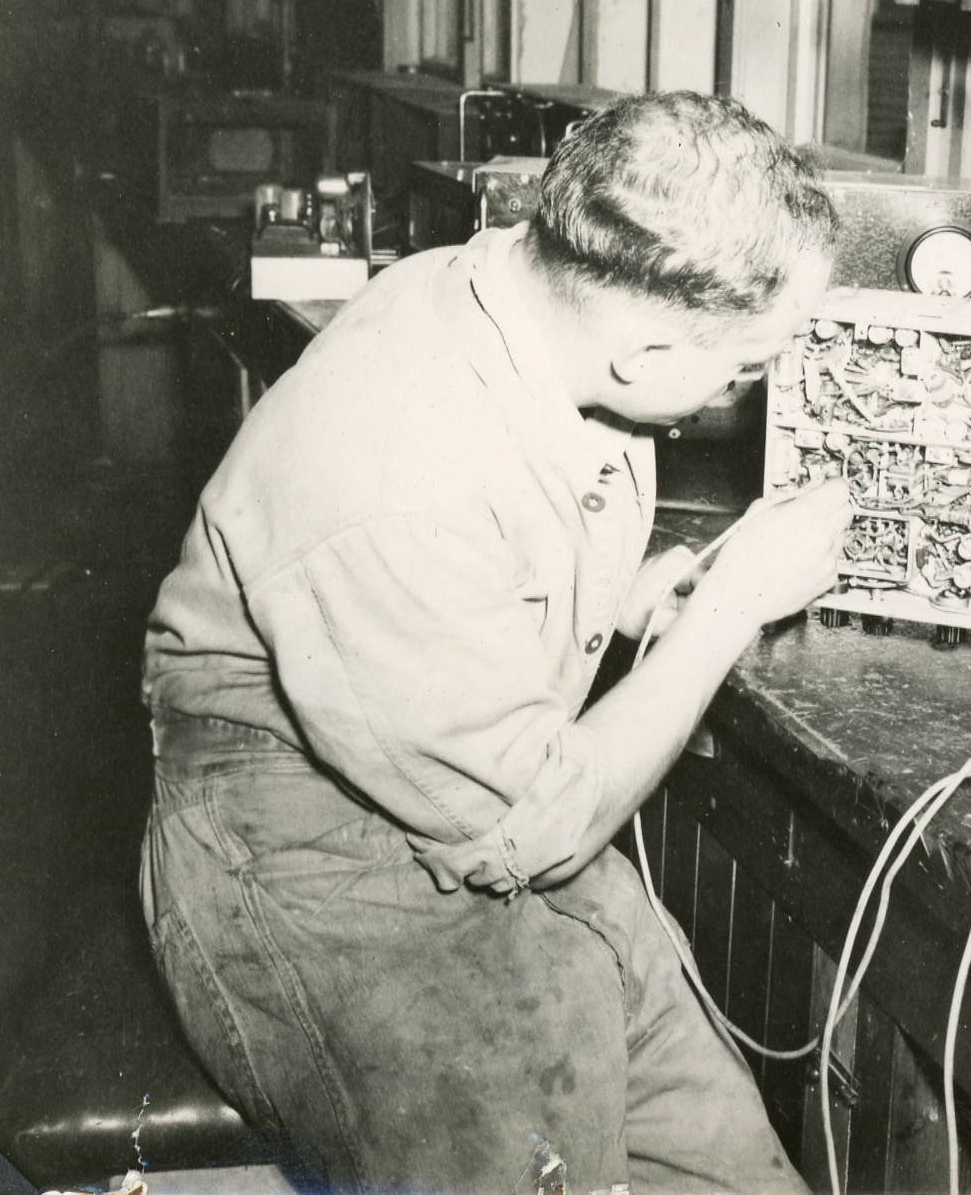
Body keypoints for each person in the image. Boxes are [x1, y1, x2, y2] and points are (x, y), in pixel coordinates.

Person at [139, 91, 852, 1194]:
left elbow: (489, 534)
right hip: (296, 842)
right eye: (745, 368)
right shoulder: (393, 465)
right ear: (645, 352)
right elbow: (541, 826)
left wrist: (610, 598)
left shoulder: (510, 288)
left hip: (453, 775)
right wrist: (733, 606)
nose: (747, 390)